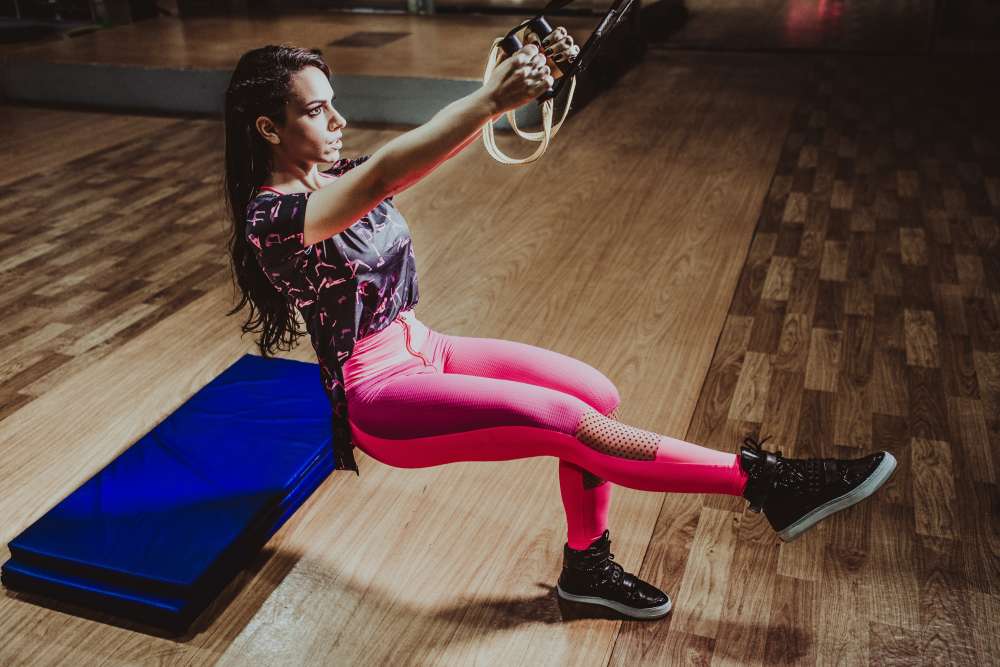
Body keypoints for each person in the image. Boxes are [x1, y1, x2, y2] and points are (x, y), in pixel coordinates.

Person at [223, 39, 896, 622]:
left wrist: (517, 89)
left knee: (595, 394)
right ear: (268, 128)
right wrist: (493, 97)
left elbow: (414, 161)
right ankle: (768, 482)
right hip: (379, 394)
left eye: (334, 103)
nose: (338, 120)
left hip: (425, 346)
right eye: (316, 110)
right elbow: (385, 173)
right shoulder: (271, 219)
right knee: (570, 424)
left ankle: (586, 567)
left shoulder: (337, 175)